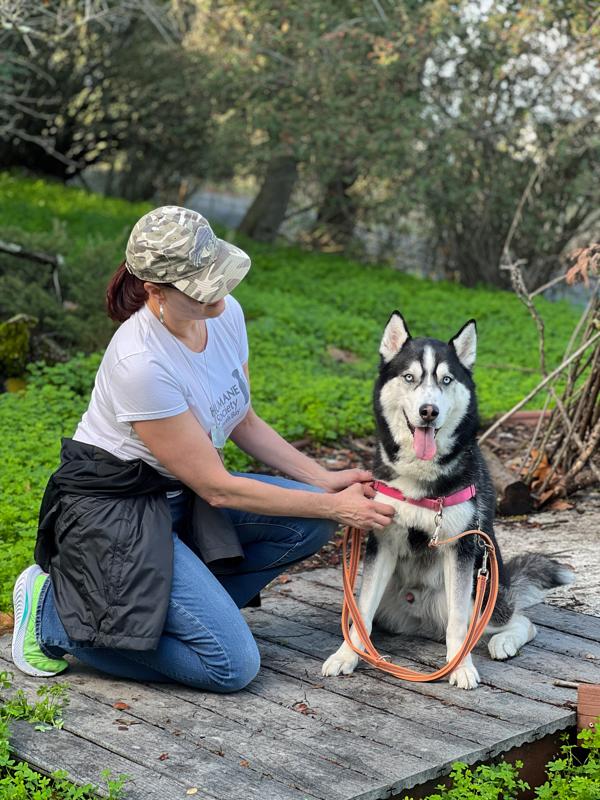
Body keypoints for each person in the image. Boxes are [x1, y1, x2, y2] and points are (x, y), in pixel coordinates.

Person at [11, 206, 395, 692]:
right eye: (201, 285)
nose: (220, 291)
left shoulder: (226, 315)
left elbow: (244, 419)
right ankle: (53, 615)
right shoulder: (140, 364)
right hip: (118, 511)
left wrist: (322, 480)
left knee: (308, 523)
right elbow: (217, 488)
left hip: (180, 498)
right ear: (155, 290)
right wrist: (339, 507)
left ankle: (162, 617)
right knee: (230, 666)